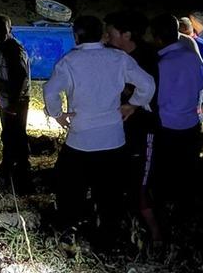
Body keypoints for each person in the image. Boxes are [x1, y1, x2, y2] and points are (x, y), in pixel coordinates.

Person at [43, 15, 155, 248]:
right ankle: (107, 239)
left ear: (76, 36)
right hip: (113, 139)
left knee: (71, 190)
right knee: (110, 194)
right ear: (102, 34)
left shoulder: (69, 62)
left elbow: (50, 91)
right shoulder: (119, 58)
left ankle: (69, 232)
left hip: (80, 140)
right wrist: (133, 104)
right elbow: (148, 84)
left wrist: (58, 114)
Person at [104, 11, 163, 244]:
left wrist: (131, 103)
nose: (107, 38)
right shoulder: (114, 55)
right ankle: (124, 230)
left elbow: (151, 91)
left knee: (141, 183)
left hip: (143, 130)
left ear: (126, 34)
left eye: (110, 33)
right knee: (120, 178)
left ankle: (158, 235)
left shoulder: (148, 58)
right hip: (120, 129)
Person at [151, 14, 203, 215]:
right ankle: (188, 209)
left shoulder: (164, 63)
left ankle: (166, 208)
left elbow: (160, 99)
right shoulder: (192, 55)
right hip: (191, 123)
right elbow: (201, 84)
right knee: (188, 172)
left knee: (165, 172)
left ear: (156, 37)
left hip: (168, 126)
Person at [0, 15, 32, 192]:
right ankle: (12, 170)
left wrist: (14, 104)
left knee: (15, 135)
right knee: (10, 134)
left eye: (2, 28)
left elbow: (22, 77)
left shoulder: (14, 49)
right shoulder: (3, 47)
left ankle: (19, 172)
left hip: (17, 101)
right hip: (8, 101)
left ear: (10, 29)